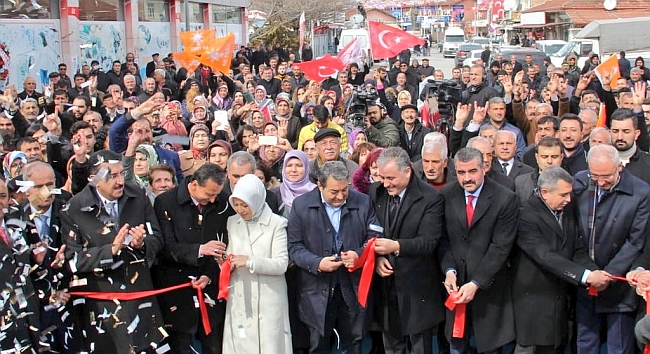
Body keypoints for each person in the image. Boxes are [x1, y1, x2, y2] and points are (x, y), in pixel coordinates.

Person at [60, 150, 166, 353]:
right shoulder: (74, 209)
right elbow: (72, 260)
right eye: (112, 176)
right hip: (102, 308)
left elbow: (158, 238)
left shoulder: (138, 196)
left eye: (121, 174)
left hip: (140, 299)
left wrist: (141, 244)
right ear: (94, 180)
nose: (120, 182)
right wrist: (111, 250)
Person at [513, 166, 607, 354]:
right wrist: (585, 276)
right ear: (545, 192)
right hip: (534, 306)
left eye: (570, 194)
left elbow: (576, 249)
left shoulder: (566, 211)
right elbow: (545, 256)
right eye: (563, 195)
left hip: (561, 304)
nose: (569, 199)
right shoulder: (525, 215)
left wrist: (594, 271)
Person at [288, 161, 378, 354]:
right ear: (320, 186)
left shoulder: (362, 202)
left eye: (344, 190)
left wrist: (359, 254)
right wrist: (317, 263)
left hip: (352, 286)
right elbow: (294, 247)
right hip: (316, 289)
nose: (340, 196)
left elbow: (375, 235)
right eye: (334, 192)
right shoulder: (301, 205)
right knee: (318, 345)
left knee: (353, 342)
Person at [440, 147, 518, 354]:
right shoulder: (446, 195)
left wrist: (476, 284)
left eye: (472, 171)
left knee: (489, 348)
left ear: (484, 167)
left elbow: (500, 247)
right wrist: (449, 270)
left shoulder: (505, 198)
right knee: (456, 346)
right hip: (455, 289)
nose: (467, 178)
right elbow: (443, 240)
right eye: (461, 173)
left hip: (489, 289)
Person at [572, 144, 649, 354]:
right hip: (587, 280)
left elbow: (636, 241)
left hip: (619, 285)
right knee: (585, 344)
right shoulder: (579, 182)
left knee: (619, 347)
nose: (600, 181)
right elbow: (573, 231)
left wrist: (607, 276)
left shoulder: (640, 192)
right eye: (595, 175)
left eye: (606, 176)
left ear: (619, 168)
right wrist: (590, 273)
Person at [369, 147, 445, 354]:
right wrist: (377, 258)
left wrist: (396, 246)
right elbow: (369, 230)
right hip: (386, 288)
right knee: (392, 346)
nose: (386, 183)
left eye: (391, 178)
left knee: (421, 347)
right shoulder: (376, 192)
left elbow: (429, 241)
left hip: (417, 287)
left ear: (408, 171)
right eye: (382, 177)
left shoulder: (431, 198)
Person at [153, 163, 231, 354]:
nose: (213, 199)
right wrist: (200, 250)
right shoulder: (166, 202)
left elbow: (225, 243)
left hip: (210, 286)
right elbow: (165, 247)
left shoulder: (222, 202)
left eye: (216, 195)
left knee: (214, 345)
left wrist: (210, 275)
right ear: (194, 184)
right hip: (177, 288)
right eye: (209, 194)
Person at [221, 173, 291, 352]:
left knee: (269, 345)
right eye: (236, 204)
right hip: (240, 295)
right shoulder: (232, 222)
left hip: (268, 298)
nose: (240, 209)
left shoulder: (277, 224)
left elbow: (281, 264)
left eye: (244, 205)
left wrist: (250, 261)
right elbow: (231, 253)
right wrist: (225, 262)